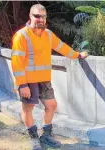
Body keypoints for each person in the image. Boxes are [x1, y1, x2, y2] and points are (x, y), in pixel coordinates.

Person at [11, 4, 89, 150]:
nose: (40, 19)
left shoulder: (48, 34)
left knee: (51, 106)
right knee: (28, 109)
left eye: (43, 16)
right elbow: (16, 61)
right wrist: (22, 84)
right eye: (37, 16)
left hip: (44, 80)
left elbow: (62, 47)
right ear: (30, 16)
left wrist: (77, 55)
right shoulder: (22, 35)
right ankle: (34, 138)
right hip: (28, 81)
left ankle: (46, 135)